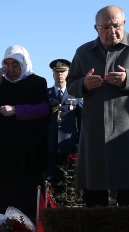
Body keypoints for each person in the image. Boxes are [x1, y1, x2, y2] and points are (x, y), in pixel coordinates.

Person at [66, 5, 129, 207]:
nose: (112, 32)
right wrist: (83, 84)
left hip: (127, 128)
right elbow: (71, 84)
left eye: (116, 26)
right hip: (94, 130)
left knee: (128, 186)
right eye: (105, 27)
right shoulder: (83, 52)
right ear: (96, 28)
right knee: (94, 185)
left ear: (124, 23)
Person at [0, 46, 49, 219]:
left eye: (15, 65)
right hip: (3, 151)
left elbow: (44, 109)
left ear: (24, 64)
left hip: (28, 151)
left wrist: (17, 110)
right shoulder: (1, 84)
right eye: (6, 65)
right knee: (2, 197)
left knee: (26, 195)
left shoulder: (37, 82)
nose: (10, 70)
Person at [45, 59, 82, 198]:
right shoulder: (46, 94)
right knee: (49, 180)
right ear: (53, 74)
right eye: (56, 72)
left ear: (68, 73)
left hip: (68, 144)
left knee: (66, 181)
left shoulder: (76, 94)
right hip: (49, 143)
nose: (59, 74)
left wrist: (79, 140)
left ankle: (64, 208)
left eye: (62, 71)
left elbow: (81, 119)